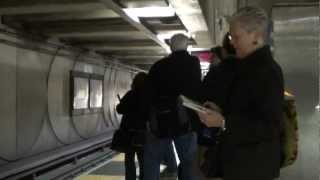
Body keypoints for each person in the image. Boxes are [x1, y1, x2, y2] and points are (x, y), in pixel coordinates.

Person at [198, 6, 284, 180]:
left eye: (236, 37)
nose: (232, 42)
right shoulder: (248, 67)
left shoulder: (267, 71)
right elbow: (247, 113)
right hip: (242, 164)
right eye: (231, 37)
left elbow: (269, 126)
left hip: (253, 168)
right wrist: (220, 113)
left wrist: (223, 121)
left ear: (256, 37)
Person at [143, 33, 202, 180]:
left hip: (160, 121)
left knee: (151, 161)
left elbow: (148, 95)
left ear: (170, 46)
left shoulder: (158, 66)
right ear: (187, 45)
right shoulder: (193, 63)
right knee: (189, 163)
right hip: (185, 121)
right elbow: (196, 90)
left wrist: (148, 120)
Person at [116, 72, 148, 180]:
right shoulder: (147, 97)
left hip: (128, 133)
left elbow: (119, 109)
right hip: (143, 133)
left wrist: (121, 105)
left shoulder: (130, 94)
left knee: (129, 160)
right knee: (143, 160)